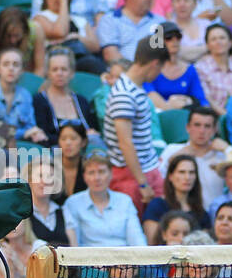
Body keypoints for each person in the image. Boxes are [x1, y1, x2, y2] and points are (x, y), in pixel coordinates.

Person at [103, 32, 169, 211]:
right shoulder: (124, 94)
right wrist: (142, 184)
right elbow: (125, 143)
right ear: (155, 64)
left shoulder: (135, 88)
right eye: (161, 68)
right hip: (131, 176)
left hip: (146, 168)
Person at [63, 152, 144, 246]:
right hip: (89, 258)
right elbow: (74, 245)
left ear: (111, 174)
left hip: (123, 258)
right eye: (91, 173)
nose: (97, 178)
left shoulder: (125, 201)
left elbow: (136, 238)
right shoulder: (73, 203)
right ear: (84, 177)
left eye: (101, 172)